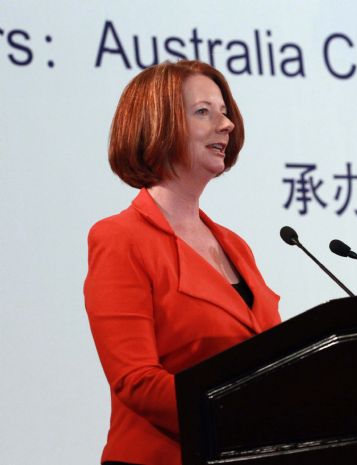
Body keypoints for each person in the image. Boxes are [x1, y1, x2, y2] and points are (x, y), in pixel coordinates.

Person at [84, 60, 281, 465]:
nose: (225, 124)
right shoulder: (120, 238)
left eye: (224, 112)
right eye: (204, 112)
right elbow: (137, 382)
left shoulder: (236, 247)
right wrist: (243, 416)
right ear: (157, 125)